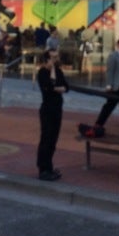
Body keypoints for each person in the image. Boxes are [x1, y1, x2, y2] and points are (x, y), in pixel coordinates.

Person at [36, 49, 68, 181]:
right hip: (47, 109)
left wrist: (58, 88)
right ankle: (43, 168)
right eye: (53, 58)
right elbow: (51, 86)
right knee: (46, 139)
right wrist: (56, 86)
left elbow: (66, 87)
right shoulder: (42, 73)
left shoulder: (59, 71)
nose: (56, 60)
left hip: (57, 109)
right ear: (46, 60)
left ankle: (49, 167)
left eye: (57, 57)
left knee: (53, 140)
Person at [93, 37, 119, 134]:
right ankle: (99, 124)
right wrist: (109, 84)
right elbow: (110, 71)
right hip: (116, 86)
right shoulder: (113, 56)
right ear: (118, 44)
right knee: (109, 106)